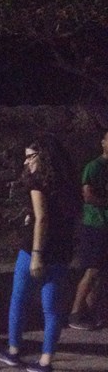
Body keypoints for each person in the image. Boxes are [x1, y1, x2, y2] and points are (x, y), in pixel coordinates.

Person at [0, 137, 80, 372]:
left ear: (43, 157)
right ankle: (45, 361)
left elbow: (42, 218)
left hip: (36, 250)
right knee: (52, 309)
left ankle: (14, 350)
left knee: (19, 299)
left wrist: (36, 254)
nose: (26, 162)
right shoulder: (69, 186)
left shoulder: (38, 182)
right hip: (61, 252)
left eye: (30, 157)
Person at [68, 130, 108, 330]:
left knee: (100, 271)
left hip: (105, 225)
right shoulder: (94, 167)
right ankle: (75, 313)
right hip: (94, 225)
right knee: (92, 269)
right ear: (103, 143)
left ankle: (94, 313)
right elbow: (88, 196)